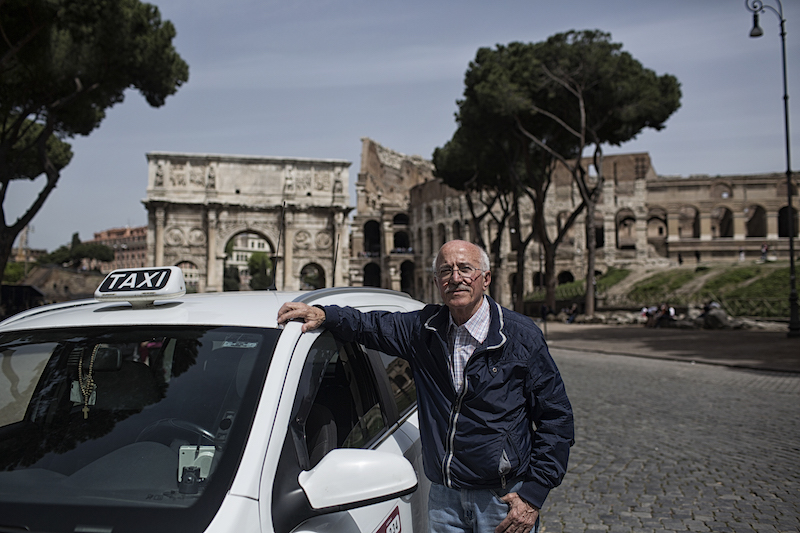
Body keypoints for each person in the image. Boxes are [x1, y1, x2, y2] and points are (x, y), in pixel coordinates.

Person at [277, 240, 574, 533]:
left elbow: (556, 419)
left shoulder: (521, 337)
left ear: (486, 279)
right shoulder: (423, 329)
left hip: (502, 498)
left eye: (465, 269)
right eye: (446, 271)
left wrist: (533, 495)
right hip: (444, 498)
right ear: (436, 281)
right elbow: (370, 325)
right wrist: (326, 315)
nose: (455, 278)